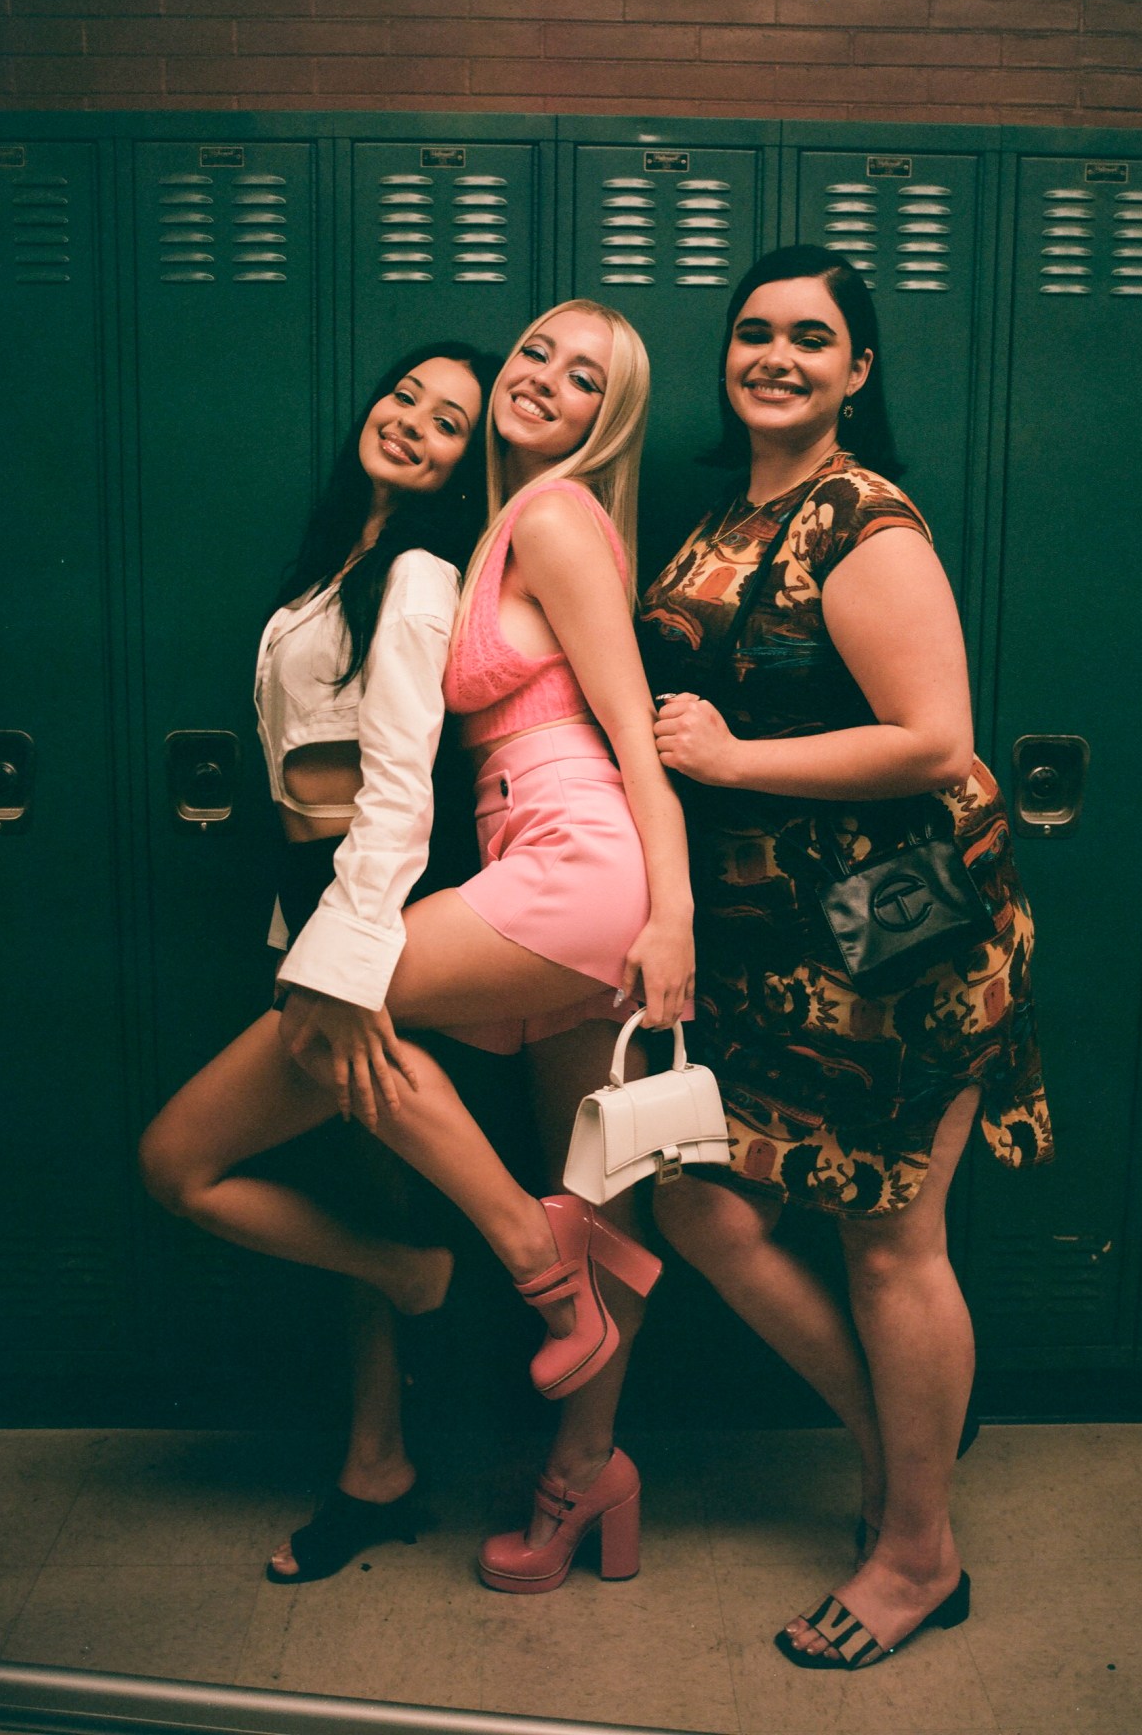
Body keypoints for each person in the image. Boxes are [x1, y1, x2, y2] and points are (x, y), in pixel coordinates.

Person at [145, 306, 693, 1591]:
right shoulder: (499, 525)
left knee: (333, 992)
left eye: (584, 378)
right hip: (527, 866)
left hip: (580, 865)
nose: (544, 382)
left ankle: (525, 1258)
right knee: (602, 1190)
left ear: (605, 419)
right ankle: (585, 1475)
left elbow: (631, 738)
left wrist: (670, 915)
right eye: (538, 354)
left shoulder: (551, 519)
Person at [638, 246, 1052, 1670]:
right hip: (770, 943)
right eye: (752, 333)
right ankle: (898, 1437)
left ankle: (914, 1553)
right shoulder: (726, 514)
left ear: (856, 371)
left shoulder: (861, 521)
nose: (774, 357)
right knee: (693, 1199)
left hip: (900, 932)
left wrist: (735, 757)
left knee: (890, 1236)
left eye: (810, 339)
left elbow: (934, 735)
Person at [141, 340, 496, 1581]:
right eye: (404, 395)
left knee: (179, 1162)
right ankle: (376, 1465)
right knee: (364, 1187)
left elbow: (399, 791)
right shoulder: (337, 561)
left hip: (364, 917)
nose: (411, 421)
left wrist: (339, 963)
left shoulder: (413, 572)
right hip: (313, 911)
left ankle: (427, 1274)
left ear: (466, 462)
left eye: (448, 420)